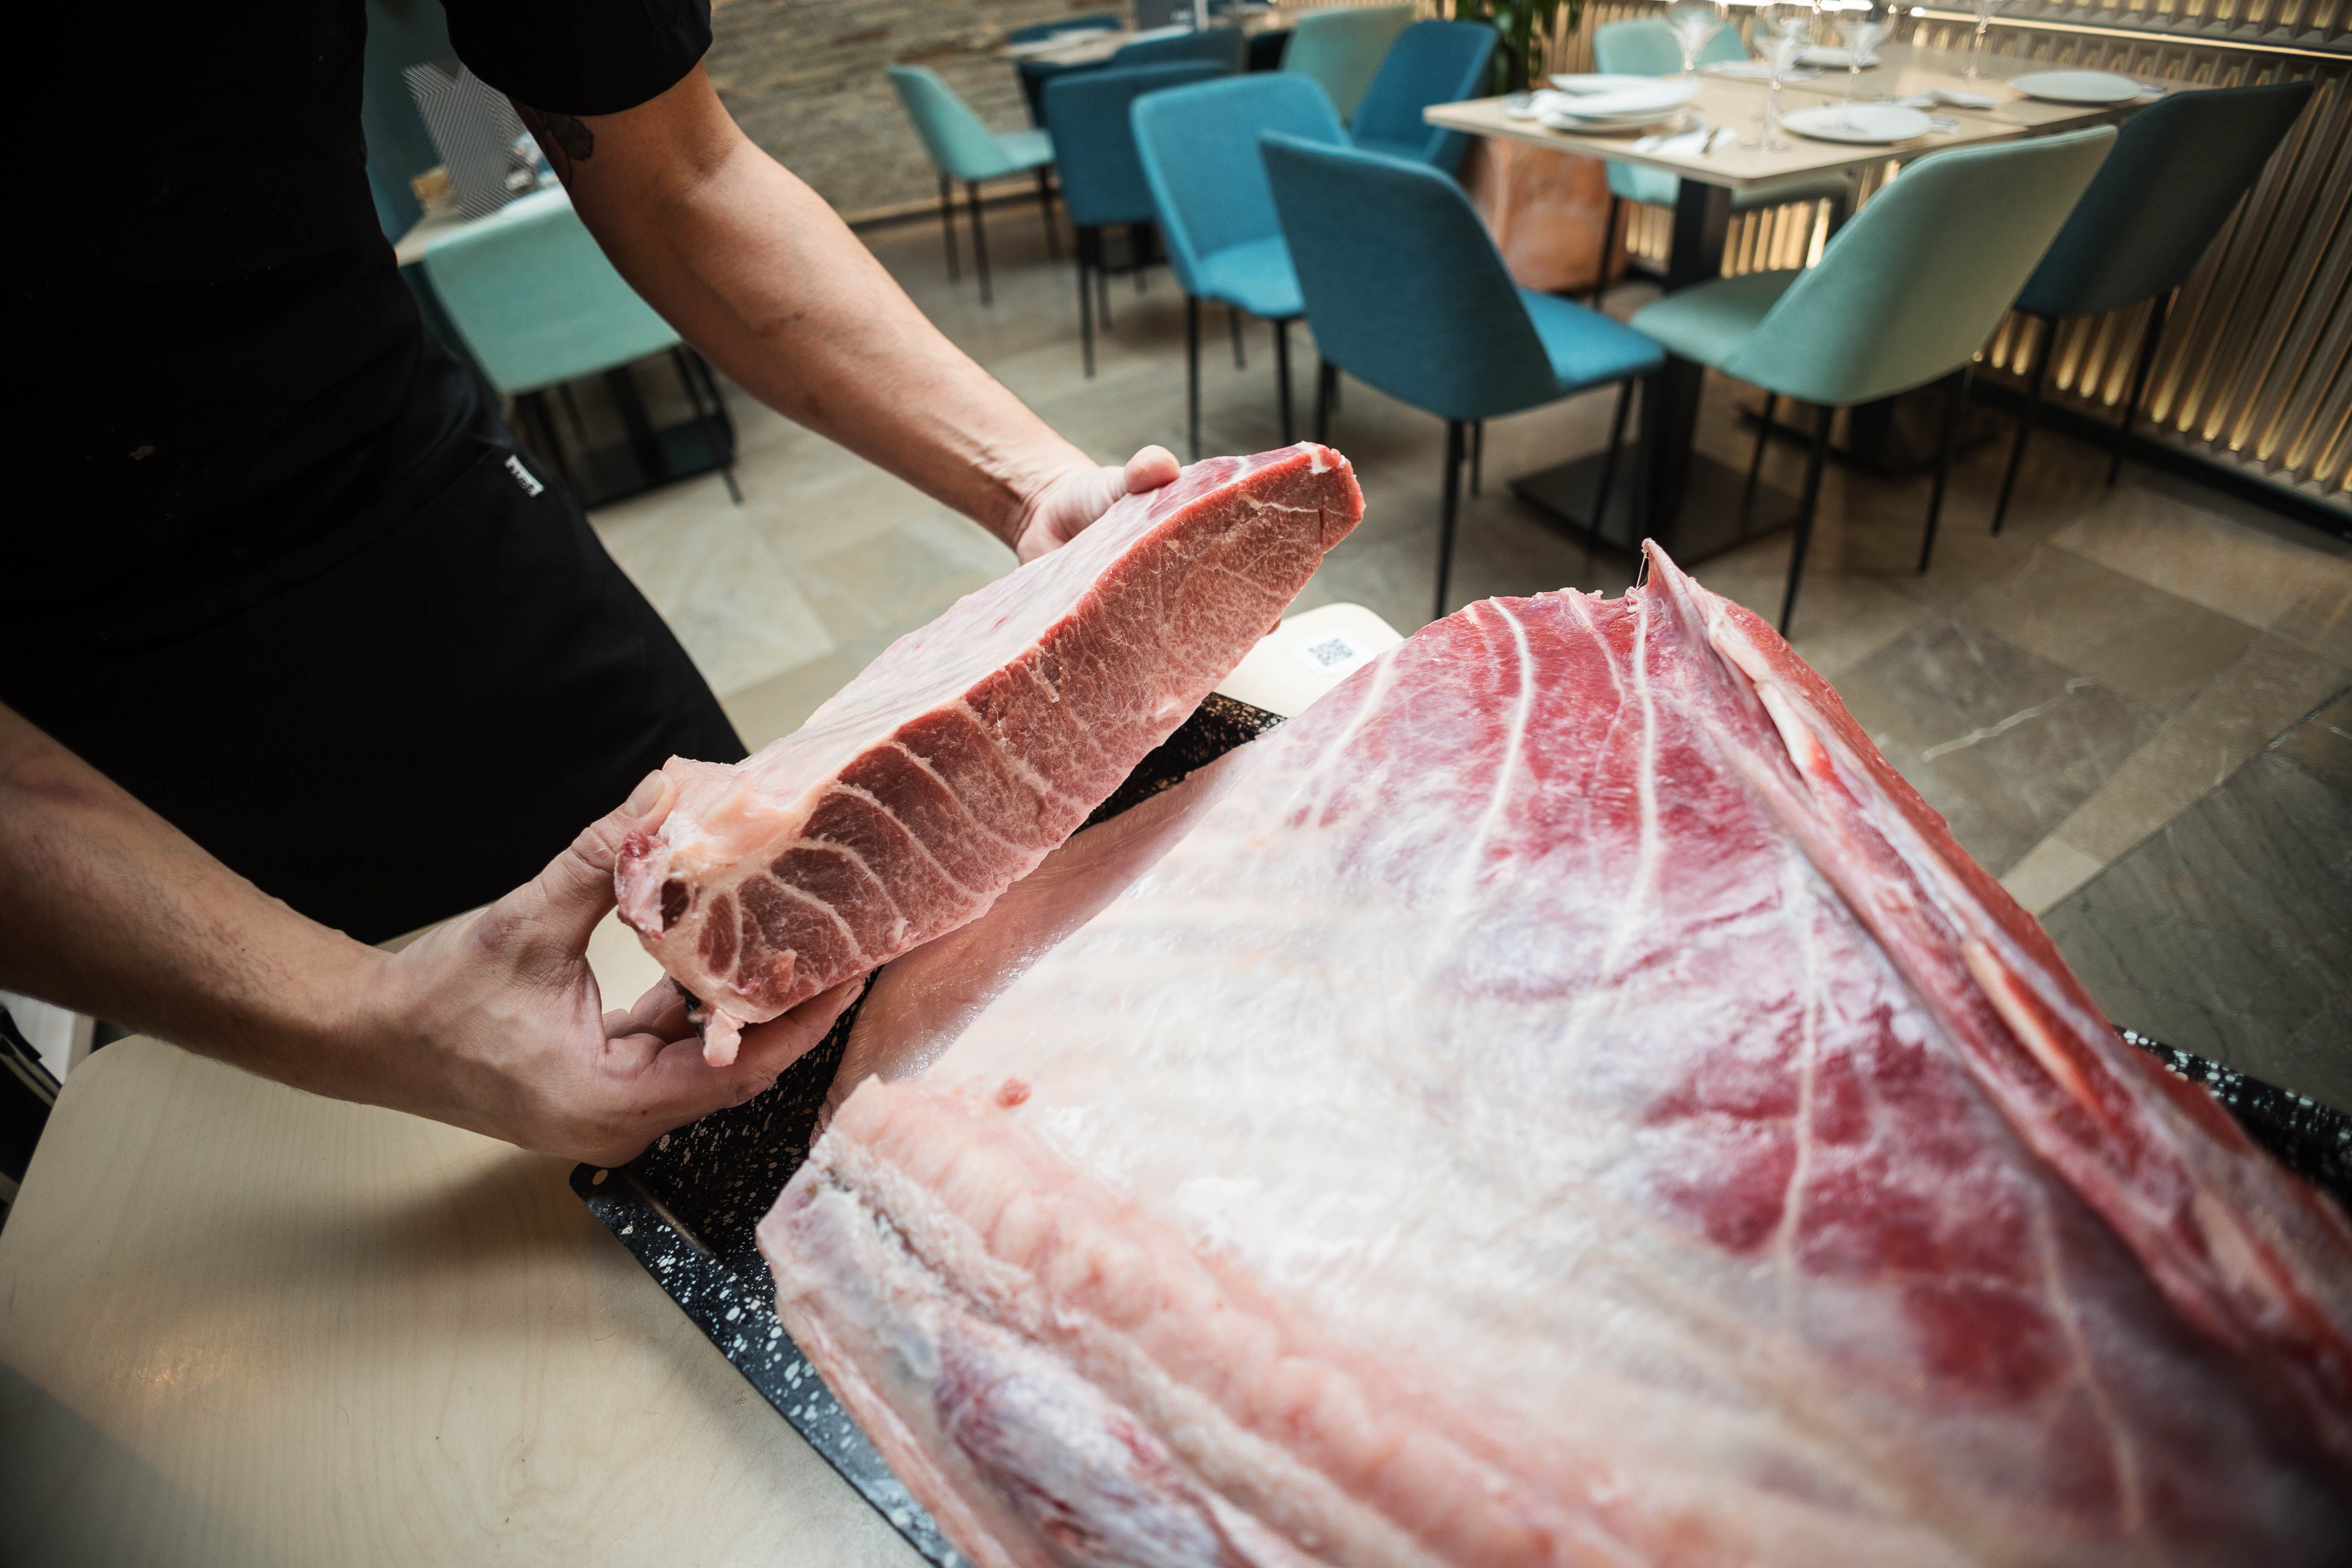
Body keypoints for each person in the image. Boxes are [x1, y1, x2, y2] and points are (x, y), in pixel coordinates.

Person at [0, 0, 1177, 1166]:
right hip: (97, 727)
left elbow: (682, 173)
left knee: (786, 1012)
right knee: (355, 1197)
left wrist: (1029, 486)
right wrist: (380, 1022)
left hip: (431, 527)